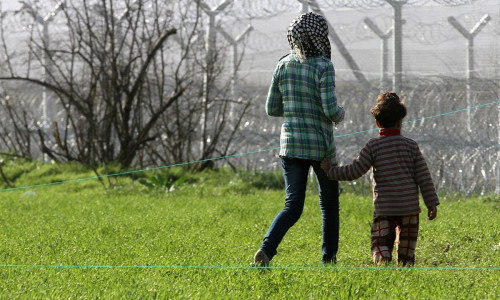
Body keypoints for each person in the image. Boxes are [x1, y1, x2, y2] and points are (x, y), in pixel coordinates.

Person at [253, 12, 345, 267]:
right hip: (320, 146)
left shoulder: (283, 64)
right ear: (320, 37)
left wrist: (295, 109)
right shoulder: (324, 66)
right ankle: (328, 260)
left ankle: (266, 250)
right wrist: (340, 115)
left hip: (290, 144)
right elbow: (330, 109)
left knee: (292, 205)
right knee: (328, 203)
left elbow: (272, 108)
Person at [321, 91, 439, 266]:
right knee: (407, 251)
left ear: (377, 122)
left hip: (385, 208)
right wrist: (431, 203)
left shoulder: (373, 146)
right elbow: (424, 177)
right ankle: (405, 274)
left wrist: (331, 171)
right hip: (409, 209)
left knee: (380, 243)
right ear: (400, 121)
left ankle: (383, 261)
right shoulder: (411, 146)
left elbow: (355, 170)